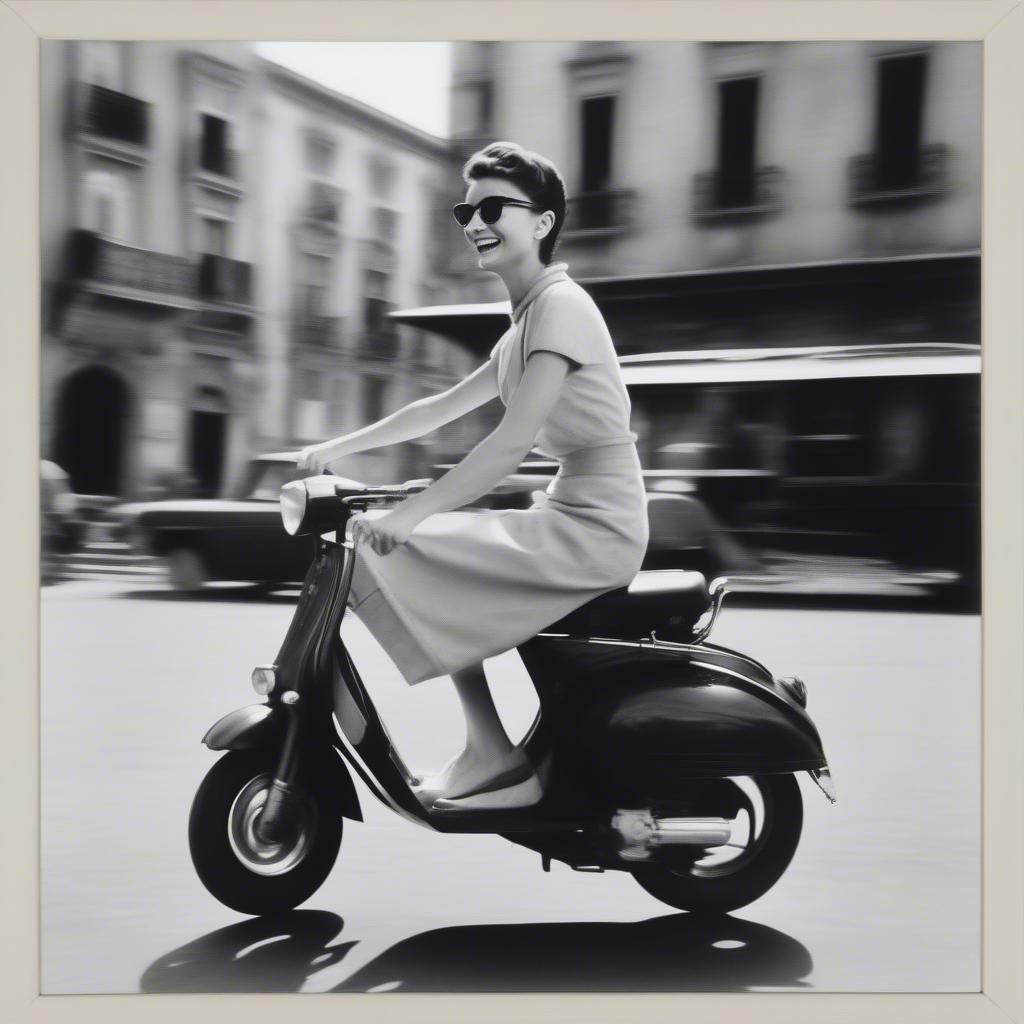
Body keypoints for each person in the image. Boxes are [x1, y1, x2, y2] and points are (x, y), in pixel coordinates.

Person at [297, 142, 648, 811]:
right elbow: (439, 408)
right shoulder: (524, 322)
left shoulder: (561, 307)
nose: (474, 222)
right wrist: (340, 444)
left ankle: (492, 751)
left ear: (542, 223)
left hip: (599, 526)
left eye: (493, 208)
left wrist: (412, 514)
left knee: (412, 547)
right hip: (568, 511)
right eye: (466, 210)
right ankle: (490, 748)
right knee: (408, 555)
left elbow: (511, 443)